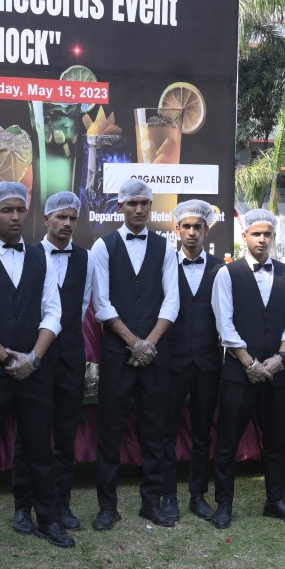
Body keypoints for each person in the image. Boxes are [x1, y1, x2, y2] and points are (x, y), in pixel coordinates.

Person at [0, 182, 72, 552]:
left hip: (34, 371)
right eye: (7, 210)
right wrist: (7, 358)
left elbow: (53, 313)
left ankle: (48, 520)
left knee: (40, 450)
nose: (16, 216)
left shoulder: (42, 259)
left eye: (21, 209)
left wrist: (33, 358)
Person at [88, 178, 180, 529]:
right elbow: (101, 303)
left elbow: (172, 301)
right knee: (110, 430)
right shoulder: (102, 246)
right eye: (132, 203)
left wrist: (150, 344)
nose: (139, 209)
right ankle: (107, 506)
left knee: (155, 429)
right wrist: (133, 342)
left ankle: (151, 502)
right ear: (120, 207)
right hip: (118, 353)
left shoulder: (165, 247)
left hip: (155, 354)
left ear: (151, 206)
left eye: (144, 203)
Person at [210, 209, 285, 529]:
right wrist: (249, 363)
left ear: (274, 237)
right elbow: (225, 325)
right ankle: (224, 504)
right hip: (238, 372)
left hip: (278, 371)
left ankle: (275, 500)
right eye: (256, 234)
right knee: (228, 441)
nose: (262, 239)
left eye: (267, 234)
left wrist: (280, 358)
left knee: (277, 441)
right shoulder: (227, 273)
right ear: (244, 236)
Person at [12, 190, 91, 531]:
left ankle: (61, 504)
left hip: (70, 355)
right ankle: (22, 506)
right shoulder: (28, 255)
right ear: (46, 220)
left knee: (66, 432)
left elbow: (83, 304)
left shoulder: (86, 258)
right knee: (29, 434)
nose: (67, 223)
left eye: (73, 218)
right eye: (61, 217)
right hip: (35, 356)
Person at [162, 199, 225, 522]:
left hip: (208, 364)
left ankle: (198, 494)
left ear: (206, 230)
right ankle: (168, 494)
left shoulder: (221, 268)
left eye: (197, 227)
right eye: (185, 226)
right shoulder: (164, 265)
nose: (191, 232)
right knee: (167, 432)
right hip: (171, 363)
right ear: (176, 229)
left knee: (202, 434)